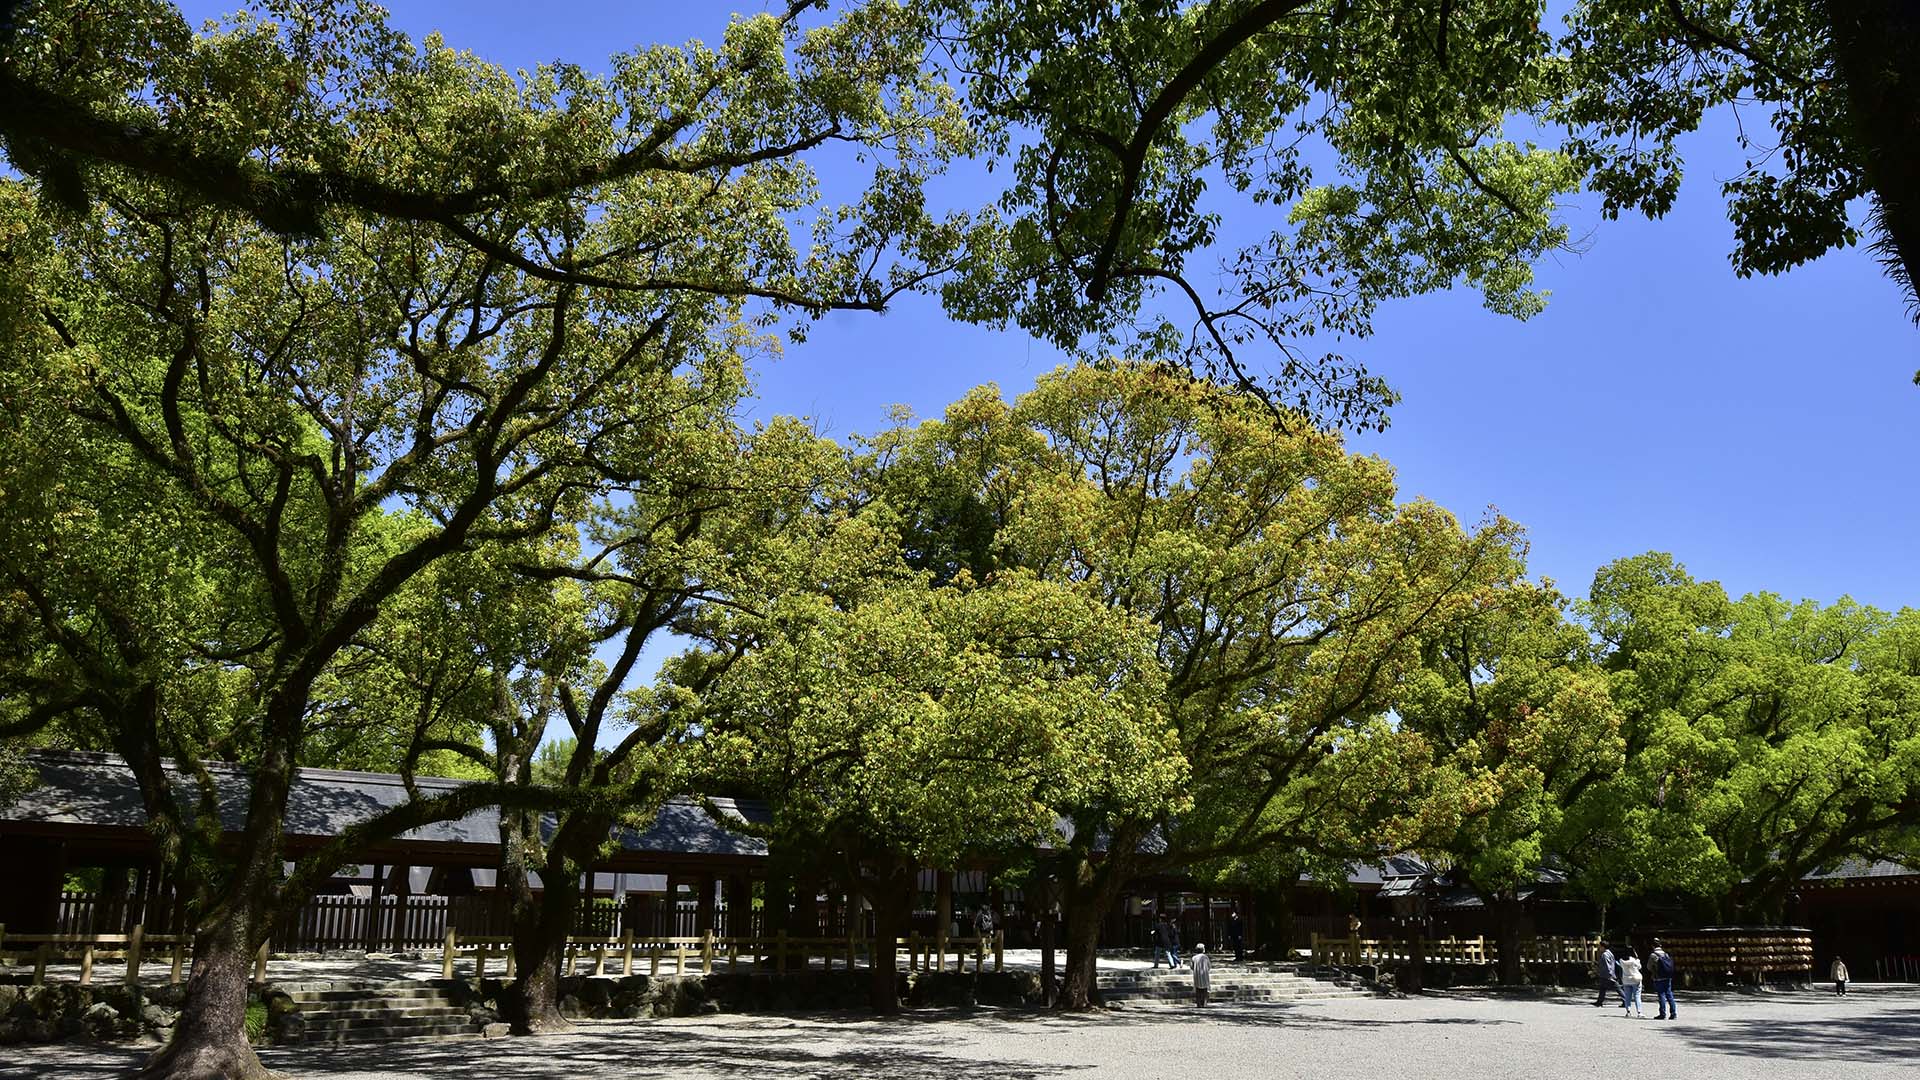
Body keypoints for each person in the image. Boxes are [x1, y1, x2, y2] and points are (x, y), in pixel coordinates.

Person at [1650, 939, 1678, 1020]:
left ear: (1653, 946)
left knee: (1661, 995)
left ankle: (1662, 1014)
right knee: (1669, 995)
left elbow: (1649, 966)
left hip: (1658, 978)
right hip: (1668, 977)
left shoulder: (1653, 955)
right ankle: (1673, 1013)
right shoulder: (1666, 954)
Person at [1618, 946, 1645, 1018]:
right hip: (1635, 979)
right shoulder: (1634, 960)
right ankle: (1639, 1012)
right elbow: (1639, 967)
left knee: (1627, 997)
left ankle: (1628, 1011)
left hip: (1626, 979)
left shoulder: (1621, 960)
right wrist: (1637, 958)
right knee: (1637, 996)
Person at [1593, 942, 1620, 1007]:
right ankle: (1599, 1002)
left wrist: (1609, 974)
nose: (1599, 948)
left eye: (1600, 946)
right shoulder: (1610, 953)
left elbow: (1607, 966)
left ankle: (1625, 1000)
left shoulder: (1605, 955)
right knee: (1602, 988)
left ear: (1603, 947)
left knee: (1617, 987)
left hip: (1607, 974)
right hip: (1608, 974)